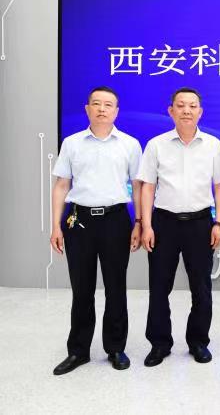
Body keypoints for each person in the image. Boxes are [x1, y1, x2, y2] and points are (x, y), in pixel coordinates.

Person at [50, 86, 142, 375]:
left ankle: (115, 348)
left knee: (116, 288)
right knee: (82, 289)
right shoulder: (72, 143)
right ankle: (78, 351)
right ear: (87, 108)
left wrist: (139, 222)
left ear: (116, 111)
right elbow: (61, 185)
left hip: (116, 221)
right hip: (79, 221)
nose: (102, 109)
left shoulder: (130, 144)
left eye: (108, 105)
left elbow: (138, 186)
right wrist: (55, 225)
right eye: (97, 104)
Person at [138, 87, 220, 367]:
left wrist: (218, 222)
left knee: (201, 288)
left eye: (192, 106)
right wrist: (146, 225)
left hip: (201, 224)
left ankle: (198, 342)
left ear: (200, 112)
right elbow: (147, 187)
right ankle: (159, 344)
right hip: (163, 223)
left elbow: (219, 186)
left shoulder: (213, 144)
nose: (186, 110)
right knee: (159, 287)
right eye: (181, 105)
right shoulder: (156, 145)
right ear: (171, 111)